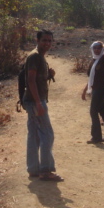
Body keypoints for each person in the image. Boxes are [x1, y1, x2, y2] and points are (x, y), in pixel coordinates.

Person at [22, 29, 63, 181]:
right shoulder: (35, 57)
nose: (47, 43)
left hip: (32, 100)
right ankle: (46, 170)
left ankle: (33, 169)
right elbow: (30, 80)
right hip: (35, 101)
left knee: (34, 135)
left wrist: (48, 75)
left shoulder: (38, 57)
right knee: (47, 134)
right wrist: (39, 102)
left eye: (49, 41)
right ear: (37, 40)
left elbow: (36, 79)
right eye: (44, 40)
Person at [81, 41, 104, 144]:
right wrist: (84, 91)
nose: (97, 49)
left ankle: (96, 137)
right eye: (95, 48)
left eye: (99, 48)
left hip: (101, 89)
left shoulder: (103, 59)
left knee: (93, 111)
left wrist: (102, 43)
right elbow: (91, 78)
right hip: (96, 89)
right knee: (102, 111)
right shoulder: (94, 60)